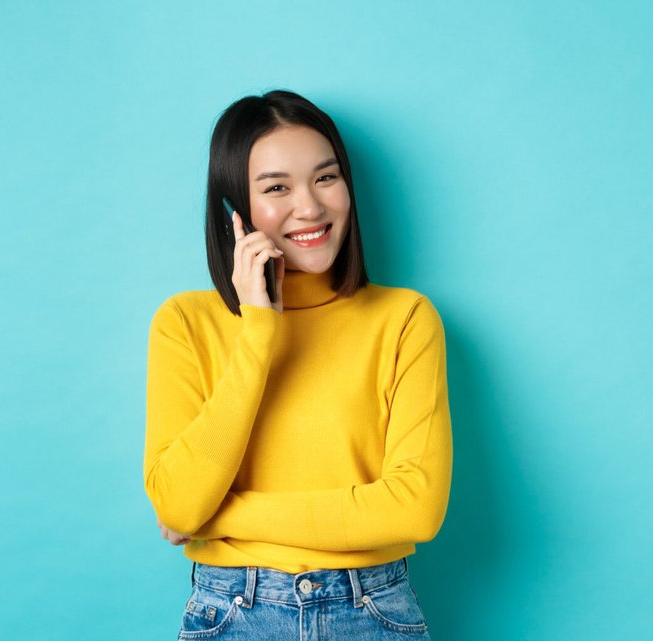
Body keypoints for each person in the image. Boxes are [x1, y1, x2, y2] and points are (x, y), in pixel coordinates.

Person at [143, 89, 451, 640]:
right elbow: (177, 498)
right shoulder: (185, 323)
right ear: (236, 208)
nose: (309, 207)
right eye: (277, 187)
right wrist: (259, 331)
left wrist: (217, 517)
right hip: (232, 613)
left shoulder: (405, 319)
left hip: (372, 611)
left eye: (326, 178)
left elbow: (414, 509)